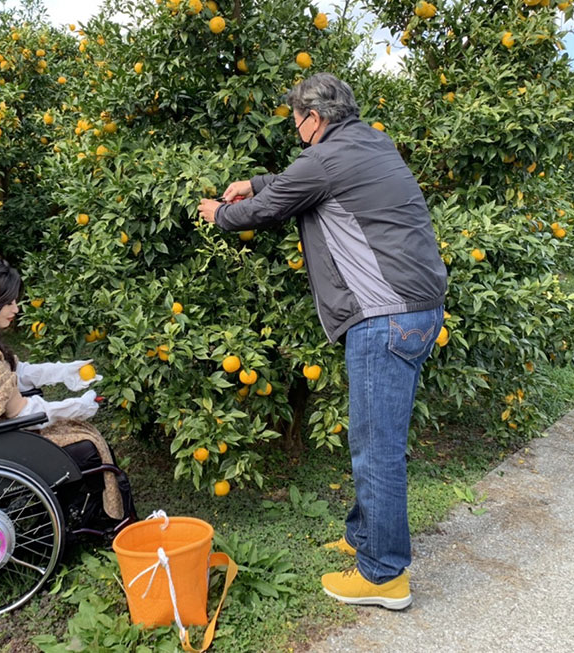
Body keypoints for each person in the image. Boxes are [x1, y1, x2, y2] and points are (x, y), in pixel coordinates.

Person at [197, 73, 447, 610]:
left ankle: (384, 576)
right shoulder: (372, 141)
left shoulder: (324, 159)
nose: (296, 131)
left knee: (376, 450)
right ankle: (364, 539)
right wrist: (257, 180)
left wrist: (222, 213)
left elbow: (267, 209)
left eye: (296, 122)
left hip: (384, 318)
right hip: (419, 313)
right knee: (374, 440)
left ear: (315, 118)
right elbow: (300, 181)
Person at [0, 257, 124, 519]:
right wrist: (77, 407)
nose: (16, 309)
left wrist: (64, 372)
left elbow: (16, 372)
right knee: (88, 443)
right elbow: (22, 411)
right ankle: (100, 517)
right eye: (8, 302)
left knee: (79, 433)